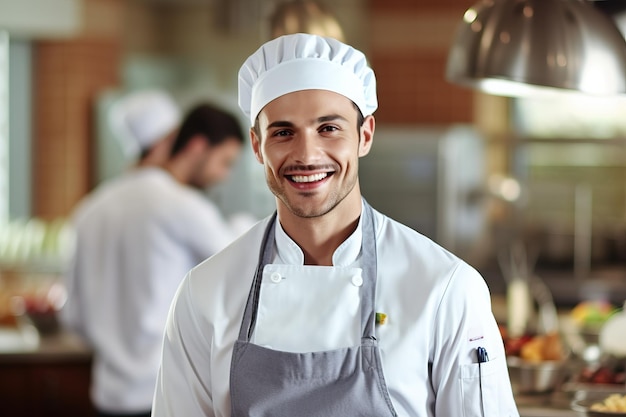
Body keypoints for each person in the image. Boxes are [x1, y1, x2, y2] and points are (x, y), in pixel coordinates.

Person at [152, 33, 519, 416]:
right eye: (282, 132)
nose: (307, 155)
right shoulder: (204, 293)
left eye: (328, 128)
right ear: (258, 145)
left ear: (364, 135)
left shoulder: (445, 289)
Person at [61, 102, 245, 417]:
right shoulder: (180, 204)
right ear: (189, 144)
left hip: (109, 398)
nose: (223, 175)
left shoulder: (89, 210)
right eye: (224, 162)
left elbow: (73, 318)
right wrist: (244, 223)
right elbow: (241, 266)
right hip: (168, 397)